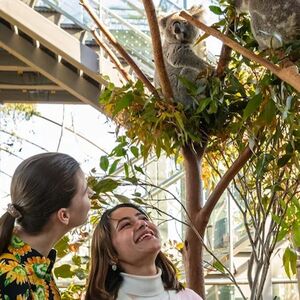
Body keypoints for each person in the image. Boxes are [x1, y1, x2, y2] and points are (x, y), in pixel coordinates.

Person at [0, 152, 93, 299]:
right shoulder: (11, 275)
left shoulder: (38, 266)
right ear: (64, 215)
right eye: (84, 191)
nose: (91, 192)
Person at [85, 203, 203, 300]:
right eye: (126, 225)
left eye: (143, 218)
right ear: (111, 253)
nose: (142, 223)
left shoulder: (189, 297)